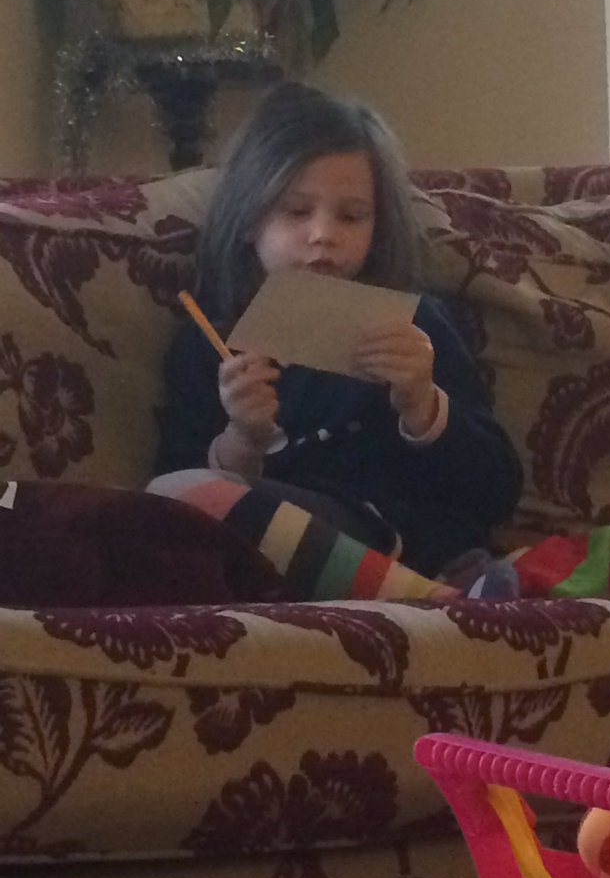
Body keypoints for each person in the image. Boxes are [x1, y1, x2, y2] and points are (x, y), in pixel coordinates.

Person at [150, 82, 523, 599]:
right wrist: (241, 440)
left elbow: (497, 493)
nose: (324, 234)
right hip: (281, 552)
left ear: (377, 225)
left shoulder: (412, 325)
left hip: (411, 537)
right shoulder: (209, 339)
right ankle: (436, 600)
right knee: (175, 495)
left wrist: (424, 405)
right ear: (250, 219)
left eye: (351, 216)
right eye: (296, 211)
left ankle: (432, 588)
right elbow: (170, 496)